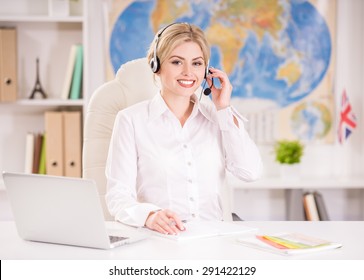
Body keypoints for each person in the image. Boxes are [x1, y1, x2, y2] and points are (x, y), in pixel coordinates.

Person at [105, 22, 263, 235]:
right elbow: (117, 197)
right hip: (159, 241)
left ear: (207, 70)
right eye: (177, 62)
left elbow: (250, 172)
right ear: (156, 65)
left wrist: (224, 108)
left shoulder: (217, 119)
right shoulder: (130, 120)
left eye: (197, 64)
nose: (188, 72)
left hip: (213, 242)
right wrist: (149, 216)